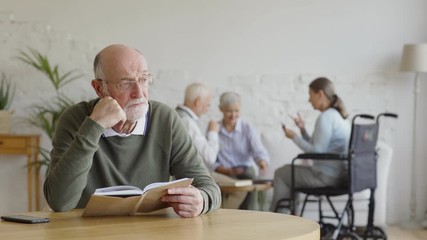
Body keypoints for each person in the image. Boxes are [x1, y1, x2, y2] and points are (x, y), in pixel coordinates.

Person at [43, 44, 221, 218]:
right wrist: (94, 127)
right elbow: (60, 201)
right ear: (99, 88)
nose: (139, 93)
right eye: (125, 83)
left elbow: (209, 187)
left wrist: (201, 200)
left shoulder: (164, 118)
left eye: (143, 79)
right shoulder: (76, 119)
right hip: (90, 233)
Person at [270, 77, 351, 212]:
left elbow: (317, 152)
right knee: (289, 174)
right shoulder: (339, 117)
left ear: (320, 94)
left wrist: (294, 137)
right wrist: (302, 130)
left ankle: (275, 220)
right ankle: (290, 217)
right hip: (338, 175)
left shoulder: (325, 117)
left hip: (325, 177)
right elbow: (319, 147)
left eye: (310, 95)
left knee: (281, 173)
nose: (309, 100)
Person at [214, 91, 270, 209]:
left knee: (249, 181)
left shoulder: (247, 128)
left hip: (245, 171)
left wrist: (262, 162)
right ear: (221, 109)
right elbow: (210, 157)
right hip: (224, 172)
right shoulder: (215, 130)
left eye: (236, 111)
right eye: (229, 111)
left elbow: (258, 150)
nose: (233, 115)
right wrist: (223, 170)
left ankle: (249, 217)